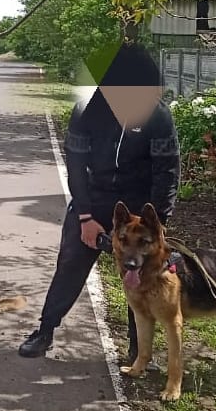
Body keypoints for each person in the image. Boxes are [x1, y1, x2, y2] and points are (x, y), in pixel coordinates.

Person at [18, 41, 180, 360]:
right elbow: (76, 164)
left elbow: (167, 172)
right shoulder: (86, 110)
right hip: (95, 197)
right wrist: (85, 217)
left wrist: (157, 222)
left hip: (139, 206)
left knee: (141, 278)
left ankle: (138, 350)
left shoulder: (158, 116)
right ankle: (46, 329)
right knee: (69, 265)